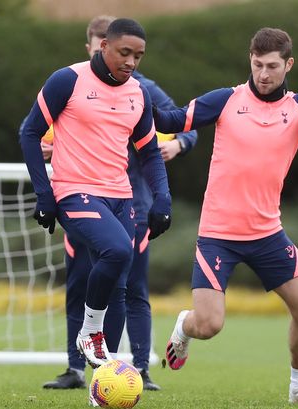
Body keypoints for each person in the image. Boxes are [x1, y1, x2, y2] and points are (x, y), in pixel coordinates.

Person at [155, 27, 298, 405]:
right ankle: (183, 328)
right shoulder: (224, 100)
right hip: (218, 234)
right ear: (249, 60)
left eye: (271, 66)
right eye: (257, 65)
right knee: (209, 326)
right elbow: (169, 121)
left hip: (268, 234)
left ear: (289, 65)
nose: (263, 74)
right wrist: (133, 98)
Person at [39, 16, 197, 392]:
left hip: (130, 202)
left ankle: (133, 369)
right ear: (97, 46)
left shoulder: (142, 90)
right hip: (79, 196)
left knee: (129, 286)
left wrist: (178, 145)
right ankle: (77, 365)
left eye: (136, 55)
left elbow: (180, 123)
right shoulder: (70, 82)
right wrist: (49, 169)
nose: (128, 61)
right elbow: (36, 130)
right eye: (116, 50)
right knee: (83, 281)